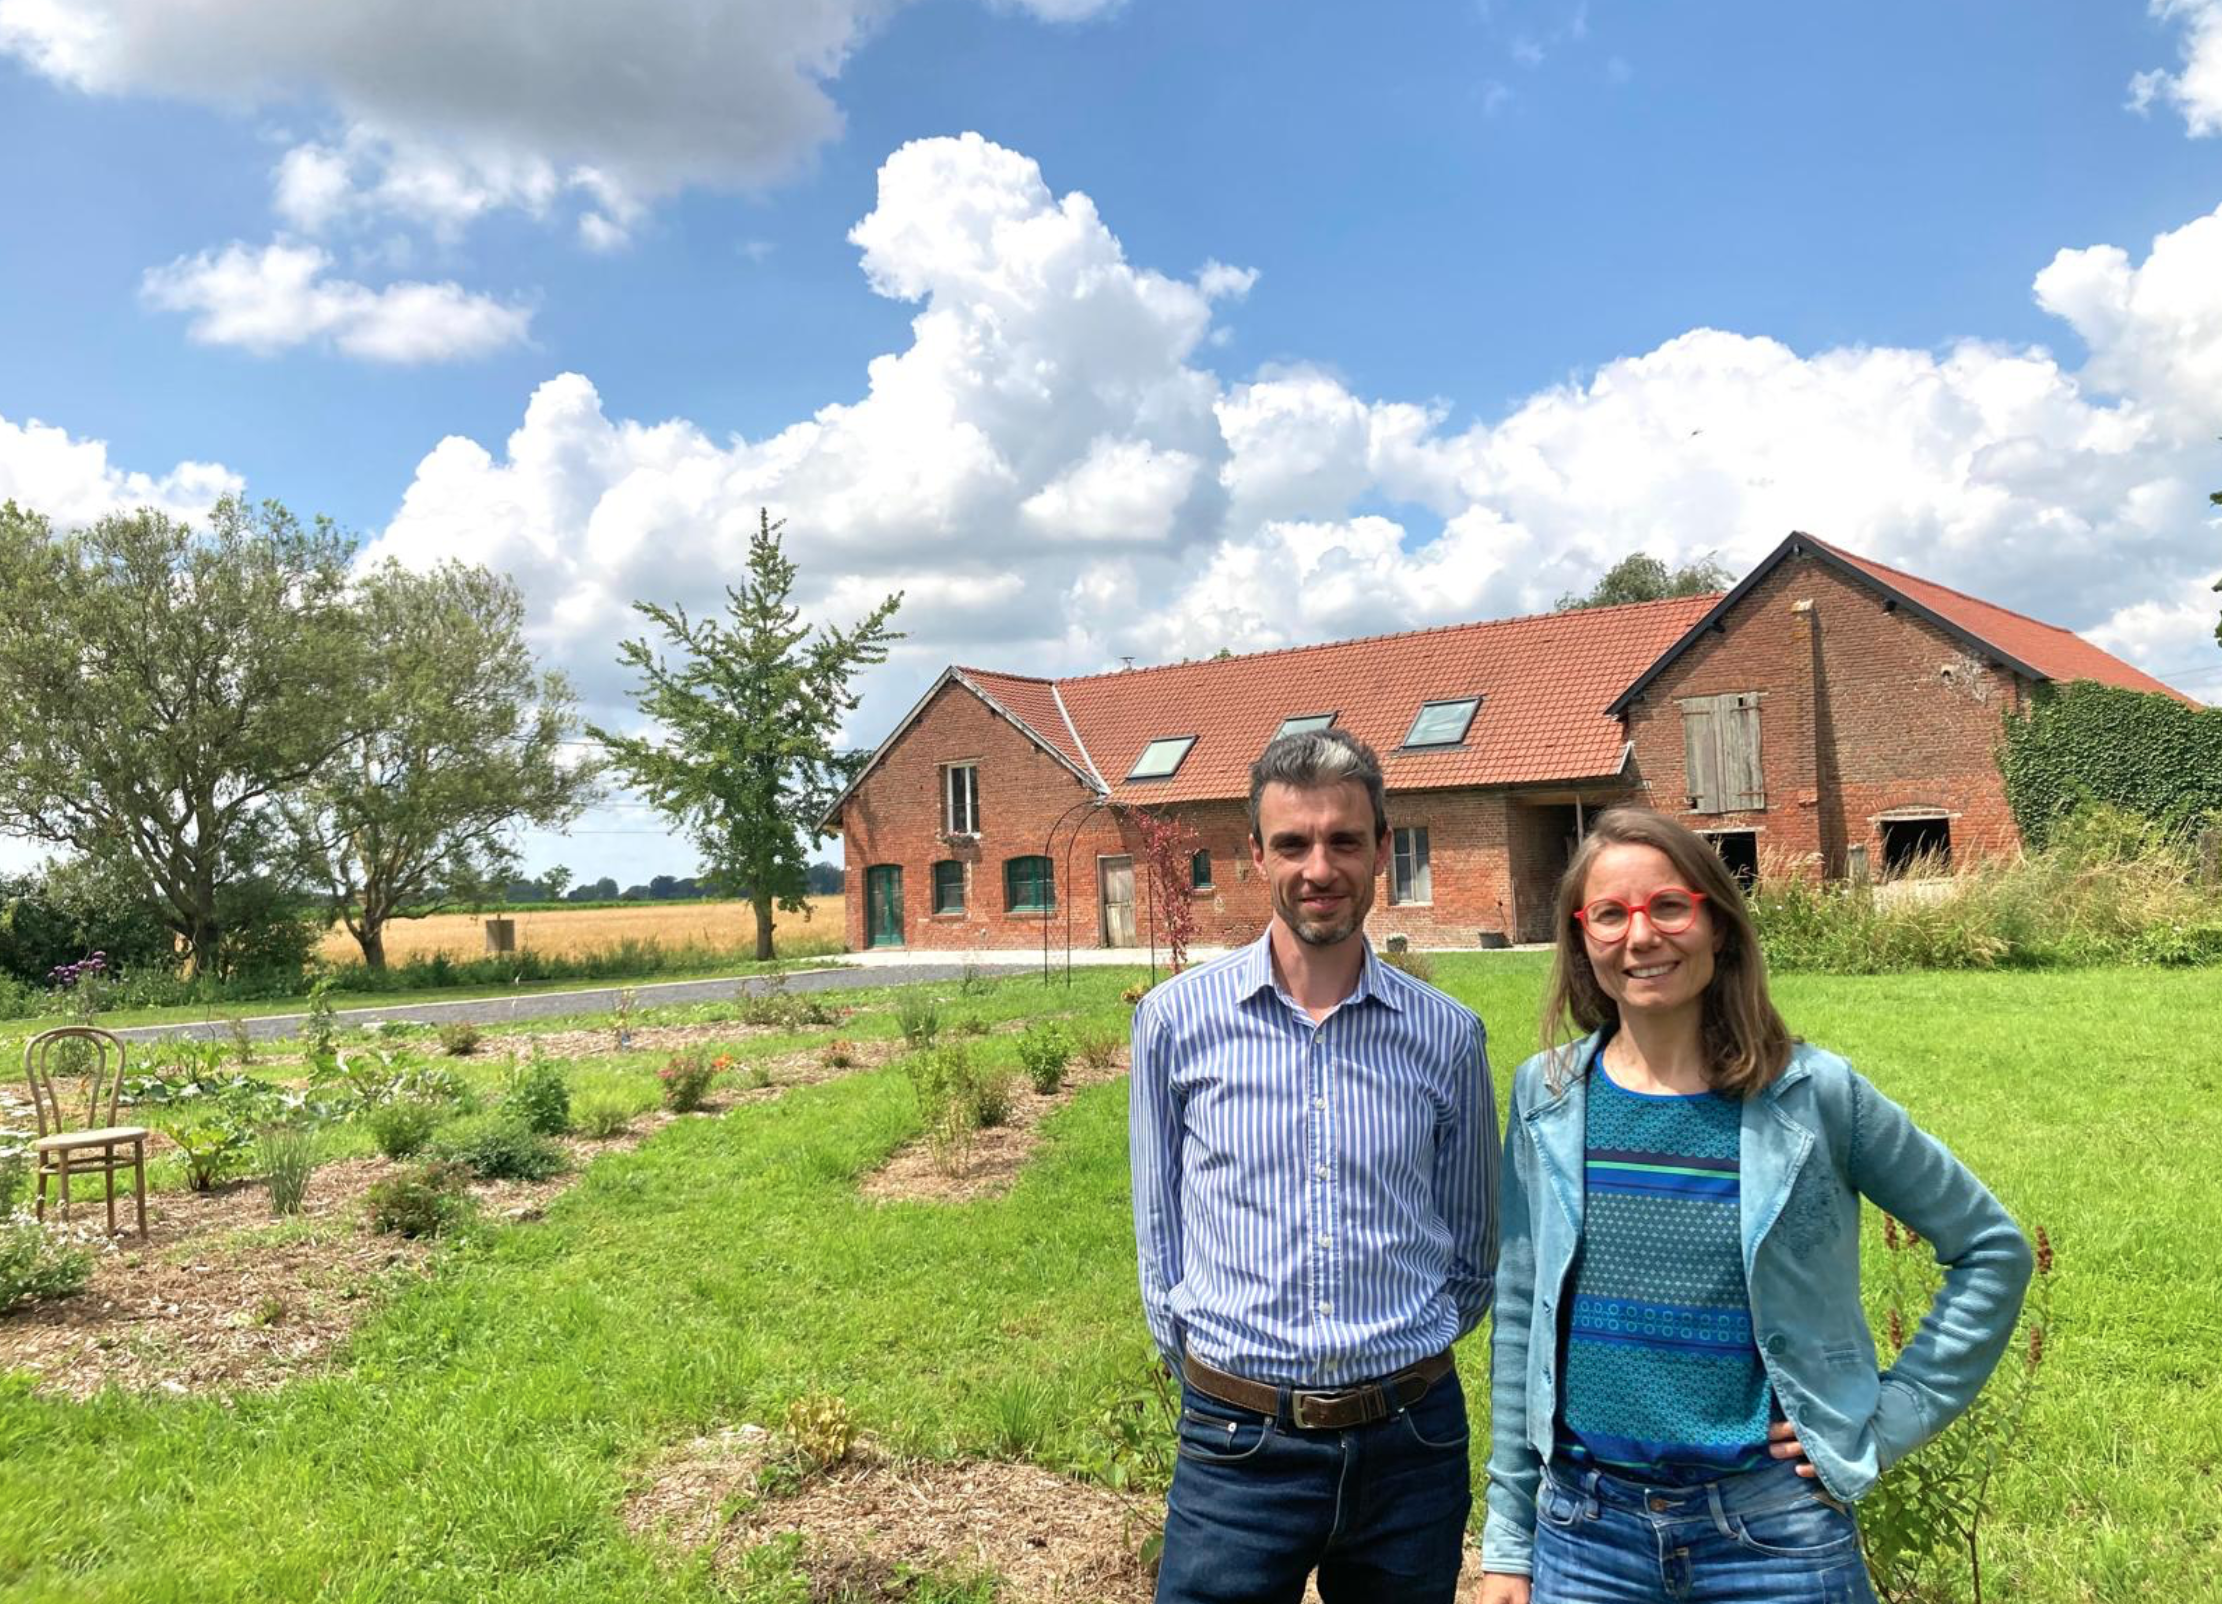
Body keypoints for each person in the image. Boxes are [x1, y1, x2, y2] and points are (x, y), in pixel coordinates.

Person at [1476, 808, 2032, 1604]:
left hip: (1775, 1536)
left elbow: (1990, 1249)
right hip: (1587, 1534)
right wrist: (1509, 1538)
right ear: (1581, 938)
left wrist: (1888, 1421)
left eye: (1670, 906)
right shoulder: (1548, 1095)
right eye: (1610, 914)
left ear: (1719, 926)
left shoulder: (1814, 1097)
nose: (1642, 936)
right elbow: (1521, 1309)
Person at [1130, 728, 1499, 1604]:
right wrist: (1231, 1379)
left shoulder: (1448, 1036)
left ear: (1381, 848)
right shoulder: (1176, 1023)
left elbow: (1473, 1252)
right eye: (1293, 843)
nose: (1319, 868)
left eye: (1344, 840)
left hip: (1412, 1447)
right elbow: (1160, 1240)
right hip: (1237, 1449)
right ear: (1256, 853)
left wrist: (1393, 1355)